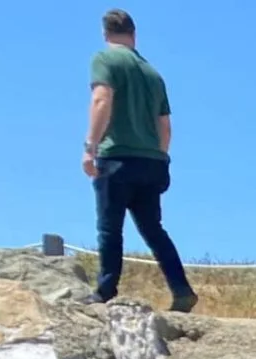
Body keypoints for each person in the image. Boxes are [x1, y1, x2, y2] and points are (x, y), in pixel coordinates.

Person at [85, 9, 197, 312]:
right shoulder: (152, 73)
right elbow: (165, 125)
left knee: (110, 228)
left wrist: (90, 146)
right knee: (153, 229)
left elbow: (102, 99)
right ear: (134, 34)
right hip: (151, 161)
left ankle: (105, 290)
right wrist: (160, 157)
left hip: (117, 156)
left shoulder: (105, 60)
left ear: (105, 34)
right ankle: (181, 288)